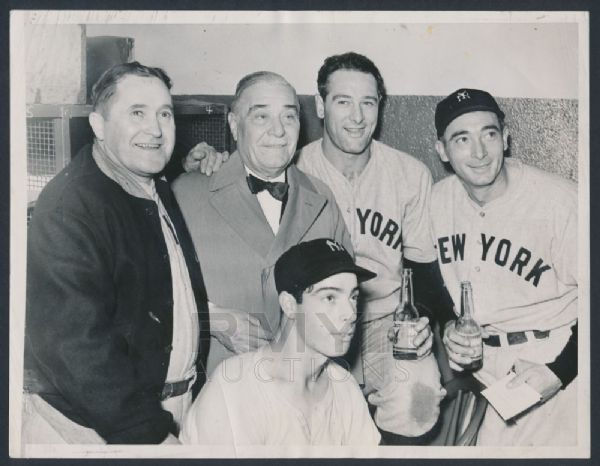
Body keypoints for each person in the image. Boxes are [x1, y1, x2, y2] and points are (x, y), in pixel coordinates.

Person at [182, 54, 448, 441]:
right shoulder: (292, 164)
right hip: (281, 339)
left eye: (368, 103)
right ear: (321, 107)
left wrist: (417, 319)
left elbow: (421, 271)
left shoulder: (401, 175)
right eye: (343, 101)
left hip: (374, 324)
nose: (357, 117)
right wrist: (219, 160)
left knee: (415, 398)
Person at [23, 62, 210, 444]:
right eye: (137, 113)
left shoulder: (150, 182)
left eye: (164, 114)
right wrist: (150, 435)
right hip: (100, 428)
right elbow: (78, 350)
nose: (155, 129)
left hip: (168, 408)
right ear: (98, 125)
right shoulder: (70, 208)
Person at [172, 71, 352, 377]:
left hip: (303, 387)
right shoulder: (186, 194)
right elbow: (151, 296)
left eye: (289, 117)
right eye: (261, 117)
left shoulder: (321, 197)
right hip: (219, 387)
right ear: (234, 124)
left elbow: (346, 295)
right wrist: (214, 319)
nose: (278, 131)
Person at [431, 88, 578, 446]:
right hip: (485, 367)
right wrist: (447, 323)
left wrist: (560, 372)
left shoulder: (561, 201)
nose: (479, 152)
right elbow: (424, 275)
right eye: (462, 139)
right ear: (442, 151)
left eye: (489, 134)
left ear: (506, 137)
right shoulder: (436, 200)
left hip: (555, 355)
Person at [181, 238, 381, 446]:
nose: (350, 314)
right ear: (290, 304)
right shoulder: (235, 390)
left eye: (353, 297)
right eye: (330, 298)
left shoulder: (345, 387)